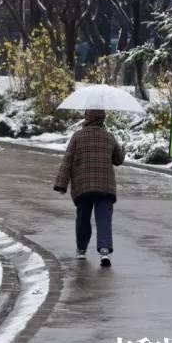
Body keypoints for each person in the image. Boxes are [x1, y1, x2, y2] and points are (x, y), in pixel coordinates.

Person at [53, 109, 125, 267]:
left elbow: (68, 161)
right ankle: (104, 252)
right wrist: (122, 150)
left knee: (83, 218)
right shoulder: (109, 136)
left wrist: (61, 184)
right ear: (102, 119)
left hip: (83, 185)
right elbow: (118, 160)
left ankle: (81, 250)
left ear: (87, 117)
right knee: (104, 220)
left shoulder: (78, 136)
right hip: (105, 186)